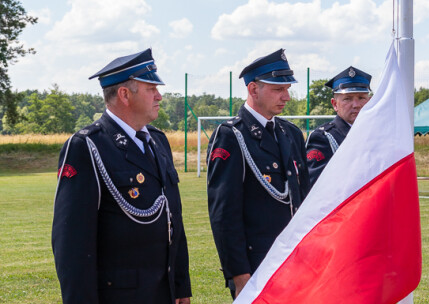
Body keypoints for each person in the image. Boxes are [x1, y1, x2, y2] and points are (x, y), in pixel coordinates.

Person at [51, 49, 191, 304]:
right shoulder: (87, 146)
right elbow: (72, 247)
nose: (160, 96)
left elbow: (174, 220)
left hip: (164, 293)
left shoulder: (158, 141)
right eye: (151, 89)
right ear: (125, 94)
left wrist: (180, 285)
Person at [206, 49, 311, 299]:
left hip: (294, 261)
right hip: (257, 266)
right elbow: (224, 215)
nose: (286, 96)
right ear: (253, 90)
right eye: (278, 89)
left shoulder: (291, 134)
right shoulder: (232, 136)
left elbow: (303, 199)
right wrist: (239, 275)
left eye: (287, 89)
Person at [305, 66, 372, 185]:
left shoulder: (377, 134)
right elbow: (315, 188)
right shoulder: (323, 138)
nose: (356, 105)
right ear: (335, 104)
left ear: (369, 100)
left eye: (361, 98)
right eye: (348, 99)